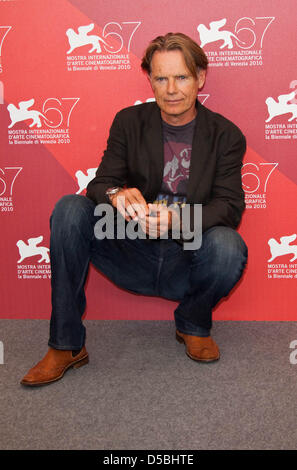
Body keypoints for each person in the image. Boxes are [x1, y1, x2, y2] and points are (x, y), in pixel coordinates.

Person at [21, 32, 248, 387]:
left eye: (182, 77)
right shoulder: (129, 122)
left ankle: (192, 323)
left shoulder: (226, 136)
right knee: (70, 209)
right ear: (150, 80)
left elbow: (230, 206)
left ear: (200, 78)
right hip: (130, 247)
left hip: (185, 257)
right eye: (161, 78)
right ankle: (66, 345)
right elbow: (100, 183)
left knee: (228, 245)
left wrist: (178, 220)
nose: (171, 89)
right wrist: (116, 193)